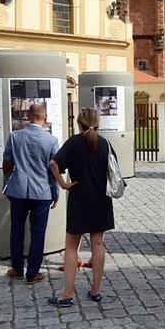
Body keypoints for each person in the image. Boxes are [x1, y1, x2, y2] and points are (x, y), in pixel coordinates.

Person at [46, 108, 116, 307]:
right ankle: (95, 291)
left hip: (79, 199)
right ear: (98, 123)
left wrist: (63, 184)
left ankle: (67, 294)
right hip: (101, 199)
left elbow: (53, 163)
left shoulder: (74, 143)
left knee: (71, 246)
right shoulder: (105, 144)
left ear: (79, 123)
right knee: (98, 244)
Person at [2, 103, 59, 285]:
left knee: (16, 230)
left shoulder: (15, 137)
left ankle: (17, 268)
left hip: (18, 191)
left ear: (28, 117)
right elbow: (54, 170)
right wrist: (55, 193)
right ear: (45, 118)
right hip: (41, 192)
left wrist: (6, 186)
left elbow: (7, 164)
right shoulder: (51, 140)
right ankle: (32, 273)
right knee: (38, 233)